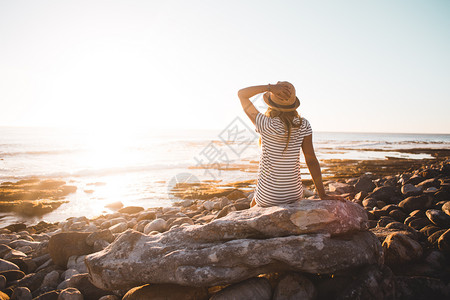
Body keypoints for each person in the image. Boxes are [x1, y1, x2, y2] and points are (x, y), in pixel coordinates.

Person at [237, 81, 344, 207]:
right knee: (256, 199)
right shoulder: (303, 124)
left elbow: (242, 94)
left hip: (268, 197)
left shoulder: (264, 123)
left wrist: (270, 87)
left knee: (253, 204)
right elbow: (311, 160)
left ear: (271, 103)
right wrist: (322, 194)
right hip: (294, 194)